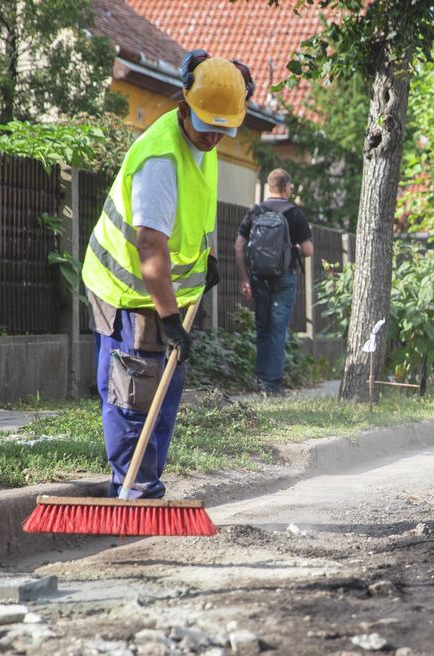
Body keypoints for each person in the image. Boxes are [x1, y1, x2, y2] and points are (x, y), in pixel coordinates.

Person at [81, 50, 253, 497]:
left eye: (224, 130)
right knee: (134, 388)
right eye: (209, 127)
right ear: (183, 106)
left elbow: (198, 211)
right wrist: (171, 319)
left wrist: (207, 258)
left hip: (162, 289)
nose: (216, 139)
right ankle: (134, 489)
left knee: (166, 385)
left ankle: (146, 481)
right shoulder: (160, 159)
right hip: (125, 288)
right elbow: (151, 247)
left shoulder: (204, 138)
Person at [234, 168, 314, 395]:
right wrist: (292, 247)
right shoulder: (294, 213)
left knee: (262, 328)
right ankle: (273, 385)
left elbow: (238, 247)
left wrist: (244, 278)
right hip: (284, 277)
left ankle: (259, 379)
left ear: (269, 188)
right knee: (278, 331)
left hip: (258, 277)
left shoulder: (255, 211)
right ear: (287, 187)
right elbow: (308, 250)